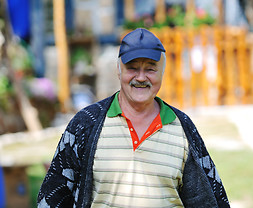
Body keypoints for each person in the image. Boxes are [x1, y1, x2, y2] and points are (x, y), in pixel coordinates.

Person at [37, 28, 230, 208]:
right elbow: (53, 194)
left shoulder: (182, 127)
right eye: (132, 68)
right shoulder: (86, 123)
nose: (140, 77)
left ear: (162, 72)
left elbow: (211, 198)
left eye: (150, 69)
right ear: (118, 69)